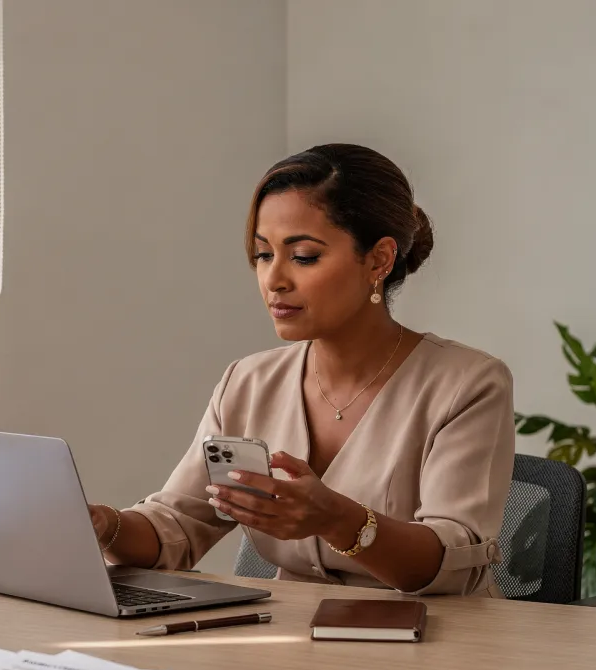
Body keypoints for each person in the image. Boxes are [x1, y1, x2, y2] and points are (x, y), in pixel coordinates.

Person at [88, 144, 515, 597]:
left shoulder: (468, 383)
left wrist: (337, 518)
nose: (274, 280)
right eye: (263, 255)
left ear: (379, 260)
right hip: (294, 643)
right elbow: (177, 526)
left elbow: (454, 561)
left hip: (443, 647)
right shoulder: (247, 383)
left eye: (304, 256)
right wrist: (101, 524)